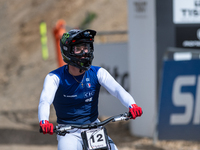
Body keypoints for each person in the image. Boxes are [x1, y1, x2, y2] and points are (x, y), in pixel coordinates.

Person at [38, 29, 142, 150]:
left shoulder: (99, 72)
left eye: (86, 48)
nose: (84, 53)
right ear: (68, 51)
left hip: (94, 127)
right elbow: (45, 100)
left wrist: (132, 105)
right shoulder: (54, 78)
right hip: (68, 132)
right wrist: (44, 121)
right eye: (78, 49)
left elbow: (118, 90)